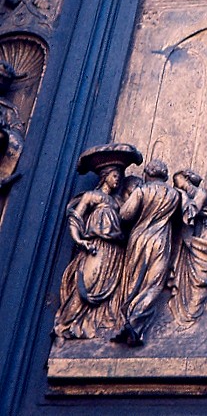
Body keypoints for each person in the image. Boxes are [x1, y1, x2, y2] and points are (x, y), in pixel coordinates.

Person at [53, 143, 142, 339]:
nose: (118, 179)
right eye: (114, 175)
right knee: (88, 283)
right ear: (105, 176)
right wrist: (79, 240)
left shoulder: (119, 202)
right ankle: (65, 323)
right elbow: (75, 217)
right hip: (97, 247)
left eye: (120, 176)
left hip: (116, 251)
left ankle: (95, 323)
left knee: (110, 290)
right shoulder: (92, 196)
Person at [113, 159, 180, 346]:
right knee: (154, 284)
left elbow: (125, 215)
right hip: (161, 240)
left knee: (134, 281)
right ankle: (136, 322)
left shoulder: (142, 191)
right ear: (165, 175)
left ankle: (128, 321)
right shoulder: (174, 194)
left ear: (147, 174)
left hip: (140, 239)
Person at [168, 169, 207, 328]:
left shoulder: (201, 192)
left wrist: (182, 197)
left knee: (201, 275)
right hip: (191, 237)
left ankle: (193, 309)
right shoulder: (184, 195)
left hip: (205, 235)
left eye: (177, 180)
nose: (175, 184)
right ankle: (186, 309)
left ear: (186, 178)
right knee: (188, 275)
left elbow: (192, 211)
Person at [0, 61, 24, 191]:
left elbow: (17, 131)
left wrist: (5, 132)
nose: (1, 81)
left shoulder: (9, 109)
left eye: (5, 80)